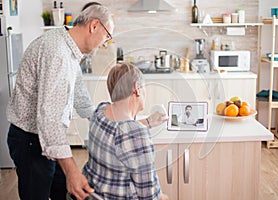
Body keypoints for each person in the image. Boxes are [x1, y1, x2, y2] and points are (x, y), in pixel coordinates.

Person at [6, 5, 114, 200]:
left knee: (59, 192)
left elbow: (80, 94)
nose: (105, 44)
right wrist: (72, 171)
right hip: (31, 141)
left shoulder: (67, 46)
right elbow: (50, 119)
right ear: (94, 26)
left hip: (45, 140)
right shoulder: (57, 53)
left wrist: (105, 121)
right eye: (107, 37)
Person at [82, 63, 169, 200]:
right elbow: (149, 196)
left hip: (92, 195)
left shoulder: (100, 111)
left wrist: (147, 122)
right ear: (137, 89)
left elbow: (117, 133)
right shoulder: (136, 135)